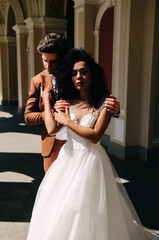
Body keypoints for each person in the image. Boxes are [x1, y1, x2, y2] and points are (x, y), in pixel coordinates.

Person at [27, 49, 158, 240]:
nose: (78, 76)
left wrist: (67, 121)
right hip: (67, 159)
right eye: (73, 73)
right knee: (63, 208)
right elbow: (52, 129)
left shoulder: (106, 102)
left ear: (92, 74)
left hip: (91, 161)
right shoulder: (67, 102)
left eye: (83, 71)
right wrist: (47, 101)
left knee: (86, 209)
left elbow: (95, 136)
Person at [24, 32, 120, 173]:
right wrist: (50, 114)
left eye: (53, 61)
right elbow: (28, 116)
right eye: (45, 61)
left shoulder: (77, 74)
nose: (48, 66)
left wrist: (115, 110)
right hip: (53, 145)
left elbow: (99, 99)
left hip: (83, 146)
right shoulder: (37, 81)